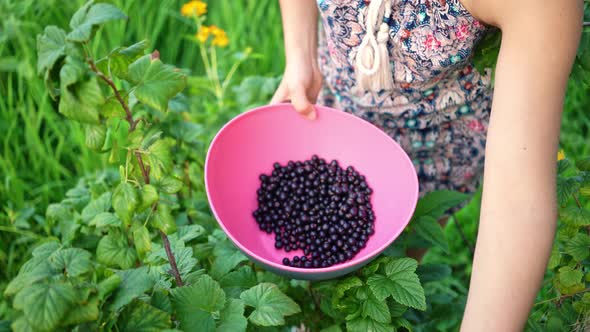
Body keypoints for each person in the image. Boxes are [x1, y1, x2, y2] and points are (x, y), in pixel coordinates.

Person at [270, 0, 584, 330]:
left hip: (437, 149)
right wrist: (300, 55)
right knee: (316, 255)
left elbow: (518, 203)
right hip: (337, 108)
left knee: (392, 263)